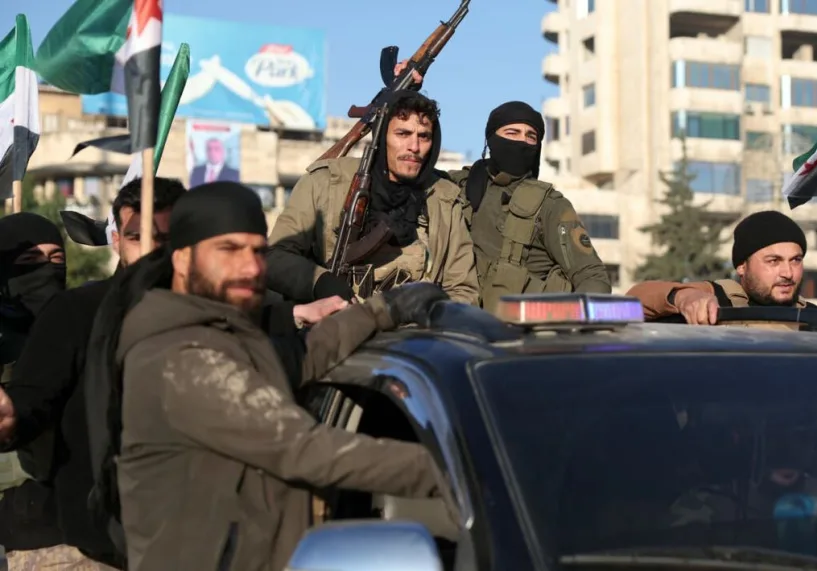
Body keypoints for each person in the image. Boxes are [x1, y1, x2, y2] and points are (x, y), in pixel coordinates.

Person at [93, 182, 450, 571]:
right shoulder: (181, 357)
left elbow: (301, 355)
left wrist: (381, 310)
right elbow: (305, 450)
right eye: (228, 250)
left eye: (258, 252)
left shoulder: (221, 332)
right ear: (182, 260)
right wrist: (457, 468)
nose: (250, 268)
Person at [0, 178, 346, 570]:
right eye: (138, 237)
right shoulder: (75, 313)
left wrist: (308, 315)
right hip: (100, 546)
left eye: (166, 238)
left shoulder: (217, 317)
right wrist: (12, 418)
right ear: (117, 241)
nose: (152, 250)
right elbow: (34, 400)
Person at [266, 90, 478, 305]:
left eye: (423, 136)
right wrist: (319, 282)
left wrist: (429, 316)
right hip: (334, 318)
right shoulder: (324, 183)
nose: (414, 147)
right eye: (402, 134)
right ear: (382, 136)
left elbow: (463, 289)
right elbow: (275, 256)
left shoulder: (442, 198)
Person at [449, 101, 612, 311]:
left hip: (524, 327)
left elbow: (592, 277)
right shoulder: (455, 186)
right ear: (491, 139)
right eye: (512, 133)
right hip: (458, 323)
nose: (522, 142)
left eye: (531, 136)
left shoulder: (550, 205)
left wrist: (572, 322)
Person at [0, 213, 67, 570]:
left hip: (70, 525)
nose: (46, 271)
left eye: (56, 259)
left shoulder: (80, 324)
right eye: (30, 260)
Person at [627, 210, 817, 323]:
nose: (788, 273)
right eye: (773, 261)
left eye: (795, 260)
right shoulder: (717, 299)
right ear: (742, 266)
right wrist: (683, 298)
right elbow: (635, 299)